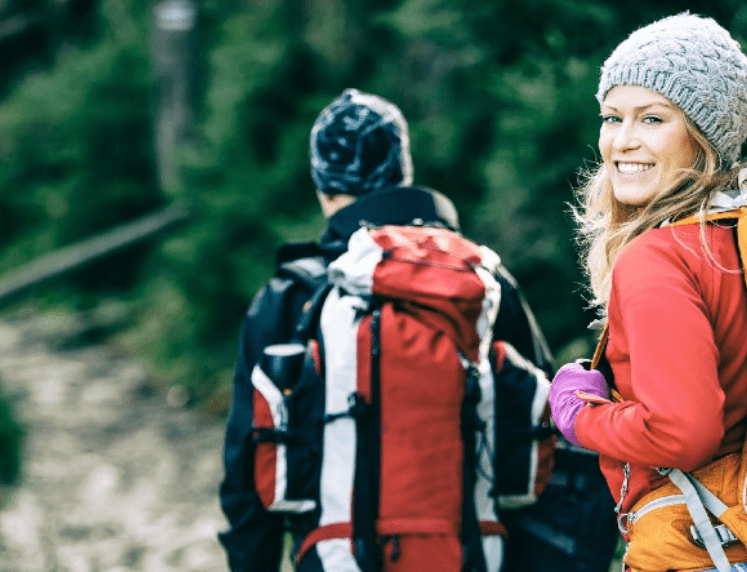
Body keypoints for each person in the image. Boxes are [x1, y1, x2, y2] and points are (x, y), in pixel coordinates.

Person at [219, 88, 617, 572]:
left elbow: (245, 470)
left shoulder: (292, 295)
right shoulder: (481, 283)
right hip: (473, 556)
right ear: (403, 172)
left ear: (322, 184)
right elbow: (547, 436)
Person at [547, 12, 747, 572]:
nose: (622, 142)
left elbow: (682, 432)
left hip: (697, 547)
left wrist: (579, 416)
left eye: (651, 118)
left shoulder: (659, 258)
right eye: (612, 117)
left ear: (704, 136)